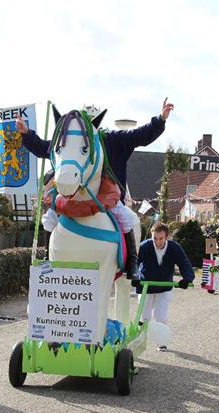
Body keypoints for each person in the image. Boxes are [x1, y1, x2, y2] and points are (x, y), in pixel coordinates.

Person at [17, 98, 174, 279]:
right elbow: (43, 147)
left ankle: (132, 262)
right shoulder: (71, 140)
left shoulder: (113, 140)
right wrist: (27, 134)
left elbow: (141, 135)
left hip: (107, 196)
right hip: (72, 195)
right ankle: (48, 257)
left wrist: (160, 119)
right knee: (50, 217)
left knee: (127, 218)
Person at [133, 222, 194, 351]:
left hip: (164, 287)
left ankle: (161, 342)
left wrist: (187, 278)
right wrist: (135, 276)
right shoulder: (145, 246)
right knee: (144, 316)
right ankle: (139, 340)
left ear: (167, 237)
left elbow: (184, 263)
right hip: (145, 286)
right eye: (155, 238)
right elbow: (135, 262)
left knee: (161, 316)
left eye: (161, 238)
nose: (157, 242)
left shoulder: (174, 248)